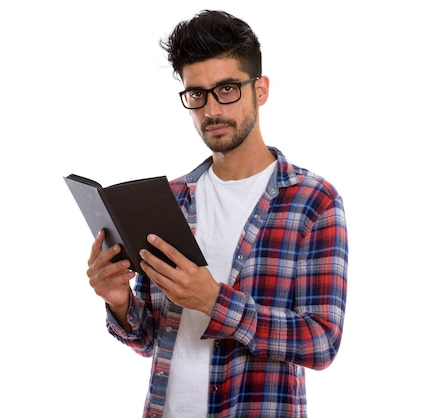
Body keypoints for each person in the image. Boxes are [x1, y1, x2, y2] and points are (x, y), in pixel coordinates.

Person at [86, 9, 348, 418]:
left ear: (260, 89)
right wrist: (119, 302)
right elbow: (151, 338)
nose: (211, 110)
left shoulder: (313, 201)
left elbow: (321, 342)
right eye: (197, 94)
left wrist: (214, 301)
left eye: (227, 89)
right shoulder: (171, 199)